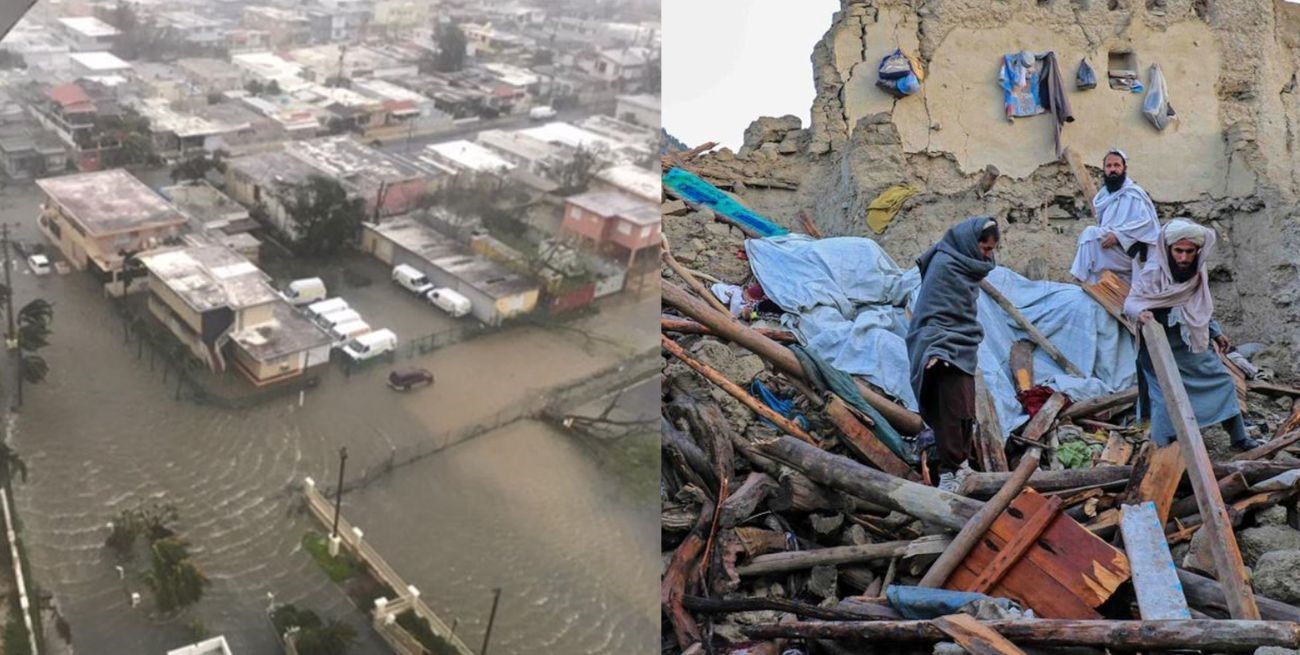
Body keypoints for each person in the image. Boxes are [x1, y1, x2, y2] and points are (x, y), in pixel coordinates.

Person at [1123, 219, 1261, 451]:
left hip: (1192, 344)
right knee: (1166, 399)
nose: (1184, 258)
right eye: (1178, 251)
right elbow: (1131, 303)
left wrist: (1215, 332)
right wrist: (1142, 313)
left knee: (1222, 382)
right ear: (1168, 249)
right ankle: (1163, 448)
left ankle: (1238, 438)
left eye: (1189, 251)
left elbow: (1199, 304)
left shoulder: (1197, 271)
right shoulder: (1153, 272)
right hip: (1160, 348)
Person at [906, 216, 1000, 491]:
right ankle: (949, 472)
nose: (988, 256)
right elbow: (933, 313)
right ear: (971, 243)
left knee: (965, 410)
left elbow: (961, 313)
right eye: (984, 248)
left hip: (961, 345)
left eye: (991, 250)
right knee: (949, 411)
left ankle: (961, 466)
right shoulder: (945, 265)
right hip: (940, 349)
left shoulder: (965, 269)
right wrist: (936, 349)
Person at [1069, 149, 1160, 284]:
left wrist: (1119, 236)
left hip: (1131, 254)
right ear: (1104, 169)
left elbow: (1147, 225)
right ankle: (1083, 282)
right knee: (1090, 242)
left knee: (1090, 233)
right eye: (1109, 166)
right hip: (1111, 249)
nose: (1112, 169)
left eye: (1117, 165)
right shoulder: (1104, 196)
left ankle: (1077, 279)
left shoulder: (1134, 194)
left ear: (1124, 168)